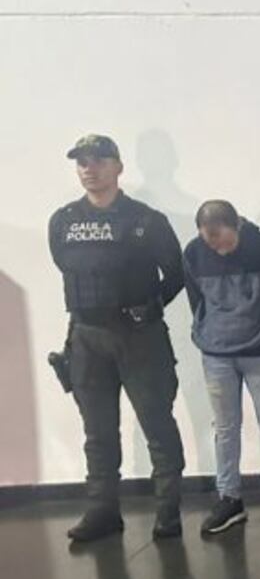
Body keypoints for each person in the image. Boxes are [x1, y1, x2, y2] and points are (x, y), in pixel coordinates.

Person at [48, 134, 186, 542]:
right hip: (86, 336)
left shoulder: (146, 220)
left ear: (119, 167)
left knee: (157, 424)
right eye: (82, 162)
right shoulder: (64, 221)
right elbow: (65, 266)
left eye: (99, 160)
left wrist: (149, 307)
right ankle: (102, 511)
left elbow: (177, 273)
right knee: (98, 431)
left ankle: (168, 512)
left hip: (138, 335)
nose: (89, 169)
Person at [183, 200, 260, 532]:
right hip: (216, 353)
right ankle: (229, 499)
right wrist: (205, 332)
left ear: (237, 225)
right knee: (225, 428)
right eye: (210, 243)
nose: (218, 249)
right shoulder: (194, 252)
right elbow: (196, 299)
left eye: (223, 241)